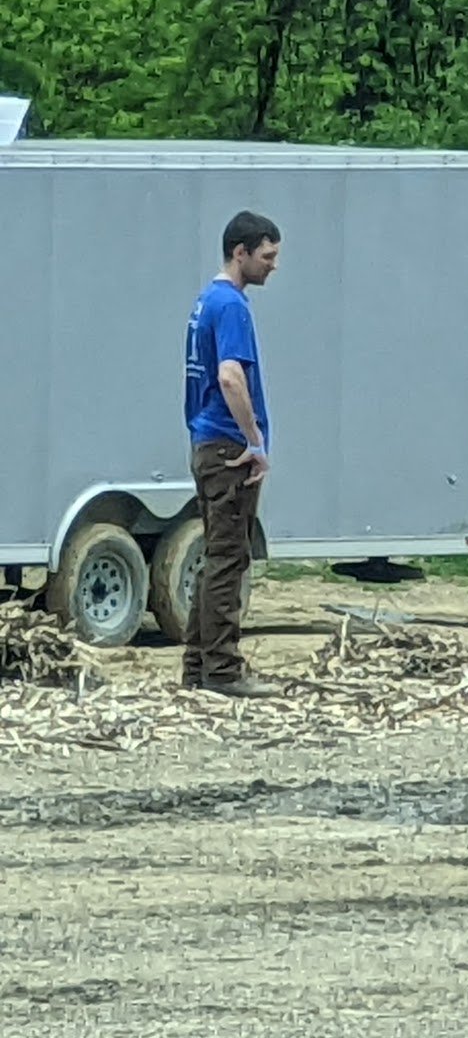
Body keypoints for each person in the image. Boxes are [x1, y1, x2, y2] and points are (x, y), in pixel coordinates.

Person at [180, 210, 282, 699]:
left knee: (214, 558)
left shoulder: (205, 301)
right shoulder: (232, 305)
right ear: (240, 252)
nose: (272, 266)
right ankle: (223, 670)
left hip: (204, 442)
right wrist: (254, 442)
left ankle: (197, 666)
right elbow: (229, 376)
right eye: (267, 256)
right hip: (229, 449)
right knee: (229, 559)